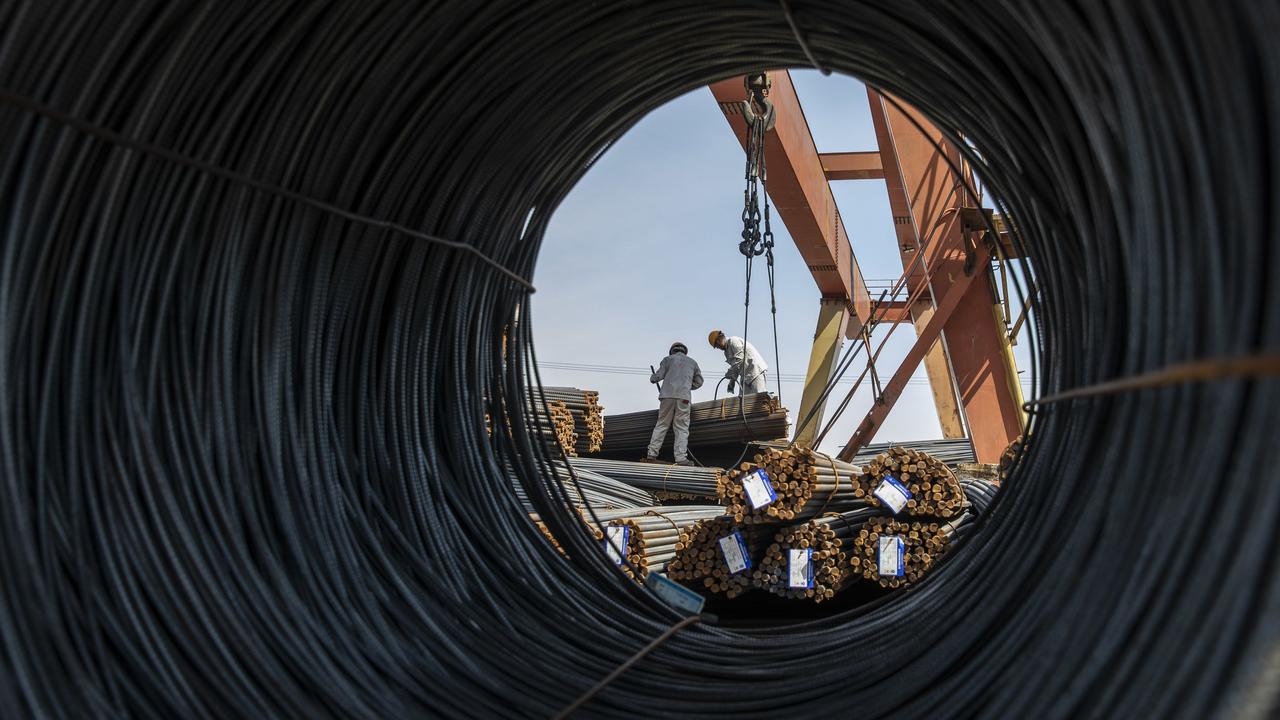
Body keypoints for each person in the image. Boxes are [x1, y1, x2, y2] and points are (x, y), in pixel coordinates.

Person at [644, 341, 703, 465]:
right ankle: (681, 458)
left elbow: (656, 378)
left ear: (672, 351)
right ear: (684, 351)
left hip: (667, 397)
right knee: (681, 427)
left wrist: (653, 376)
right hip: (684, 398)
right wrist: (686, 386)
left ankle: (651, 454)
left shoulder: (667, 360)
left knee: (662, 425)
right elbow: (699, 382)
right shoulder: (692, 362)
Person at [708, 330, 768, 395]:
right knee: (743, 401)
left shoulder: (733, 341)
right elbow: (736, 367)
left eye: (717, 345)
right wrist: (732, 381)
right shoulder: (726, 352)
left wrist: (729, 372)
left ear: (720, 339)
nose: (718, 348)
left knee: (758, 398)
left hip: (756, 371)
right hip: (745, 376)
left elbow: (739, 360)